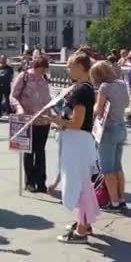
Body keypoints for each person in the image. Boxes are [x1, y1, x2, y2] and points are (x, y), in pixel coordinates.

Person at [47, 53, 99, 244]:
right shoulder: (84, 88)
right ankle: (82, 222)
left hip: (77, 142)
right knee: (82, 184)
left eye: (69, 66)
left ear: (80, 66)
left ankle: (82, 230)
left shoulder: (81, 90)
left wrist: (57, 120)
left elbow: (77, 123)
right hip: (79, 142)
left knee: (80, 186)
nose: (67, 69)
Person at [90, 61, 130, 212]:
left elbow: (98, 111)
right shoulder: (121, 83)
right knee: (117, 167)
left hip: (108, 130)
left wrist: (94, 105)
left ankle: (113, 202)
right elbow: (126, 104)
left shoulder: (104, 87)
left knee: (107, 170)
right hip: (121, 127)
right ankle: (121, 198)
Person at [11, 56, 52, 193]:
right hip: (28, 118)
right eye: (41, 70)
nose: (42, 73)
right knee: (29, 151)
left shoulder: (44, 78)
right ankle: (29, 182)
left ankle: (41, 181)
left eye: (44, 70)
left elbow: (47, 98)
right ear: (35, 67)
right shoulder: (24, 77)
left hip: (44, 119)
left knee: (40, 151)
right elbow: (13, 96)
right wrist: (19, 108)